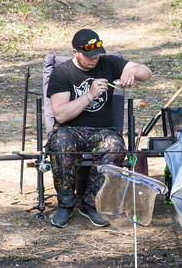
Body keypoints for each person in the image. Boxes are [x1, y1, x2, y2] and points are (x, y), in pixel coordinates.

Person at [46, 29, 152, 228]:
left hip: (102, 130)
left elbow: (147, 73)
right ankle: (65, 204)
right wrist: (90, 94)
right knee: (60, 142)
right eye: (88, 56)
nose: (93, 59)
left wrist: (131, 70)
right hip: (70, 129)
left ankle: (90, 203)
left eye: (96, 54)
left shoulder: (109, 63)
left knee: (115, 146)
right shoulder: (62, 73)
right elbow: (60, 114)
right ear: (75, 52)